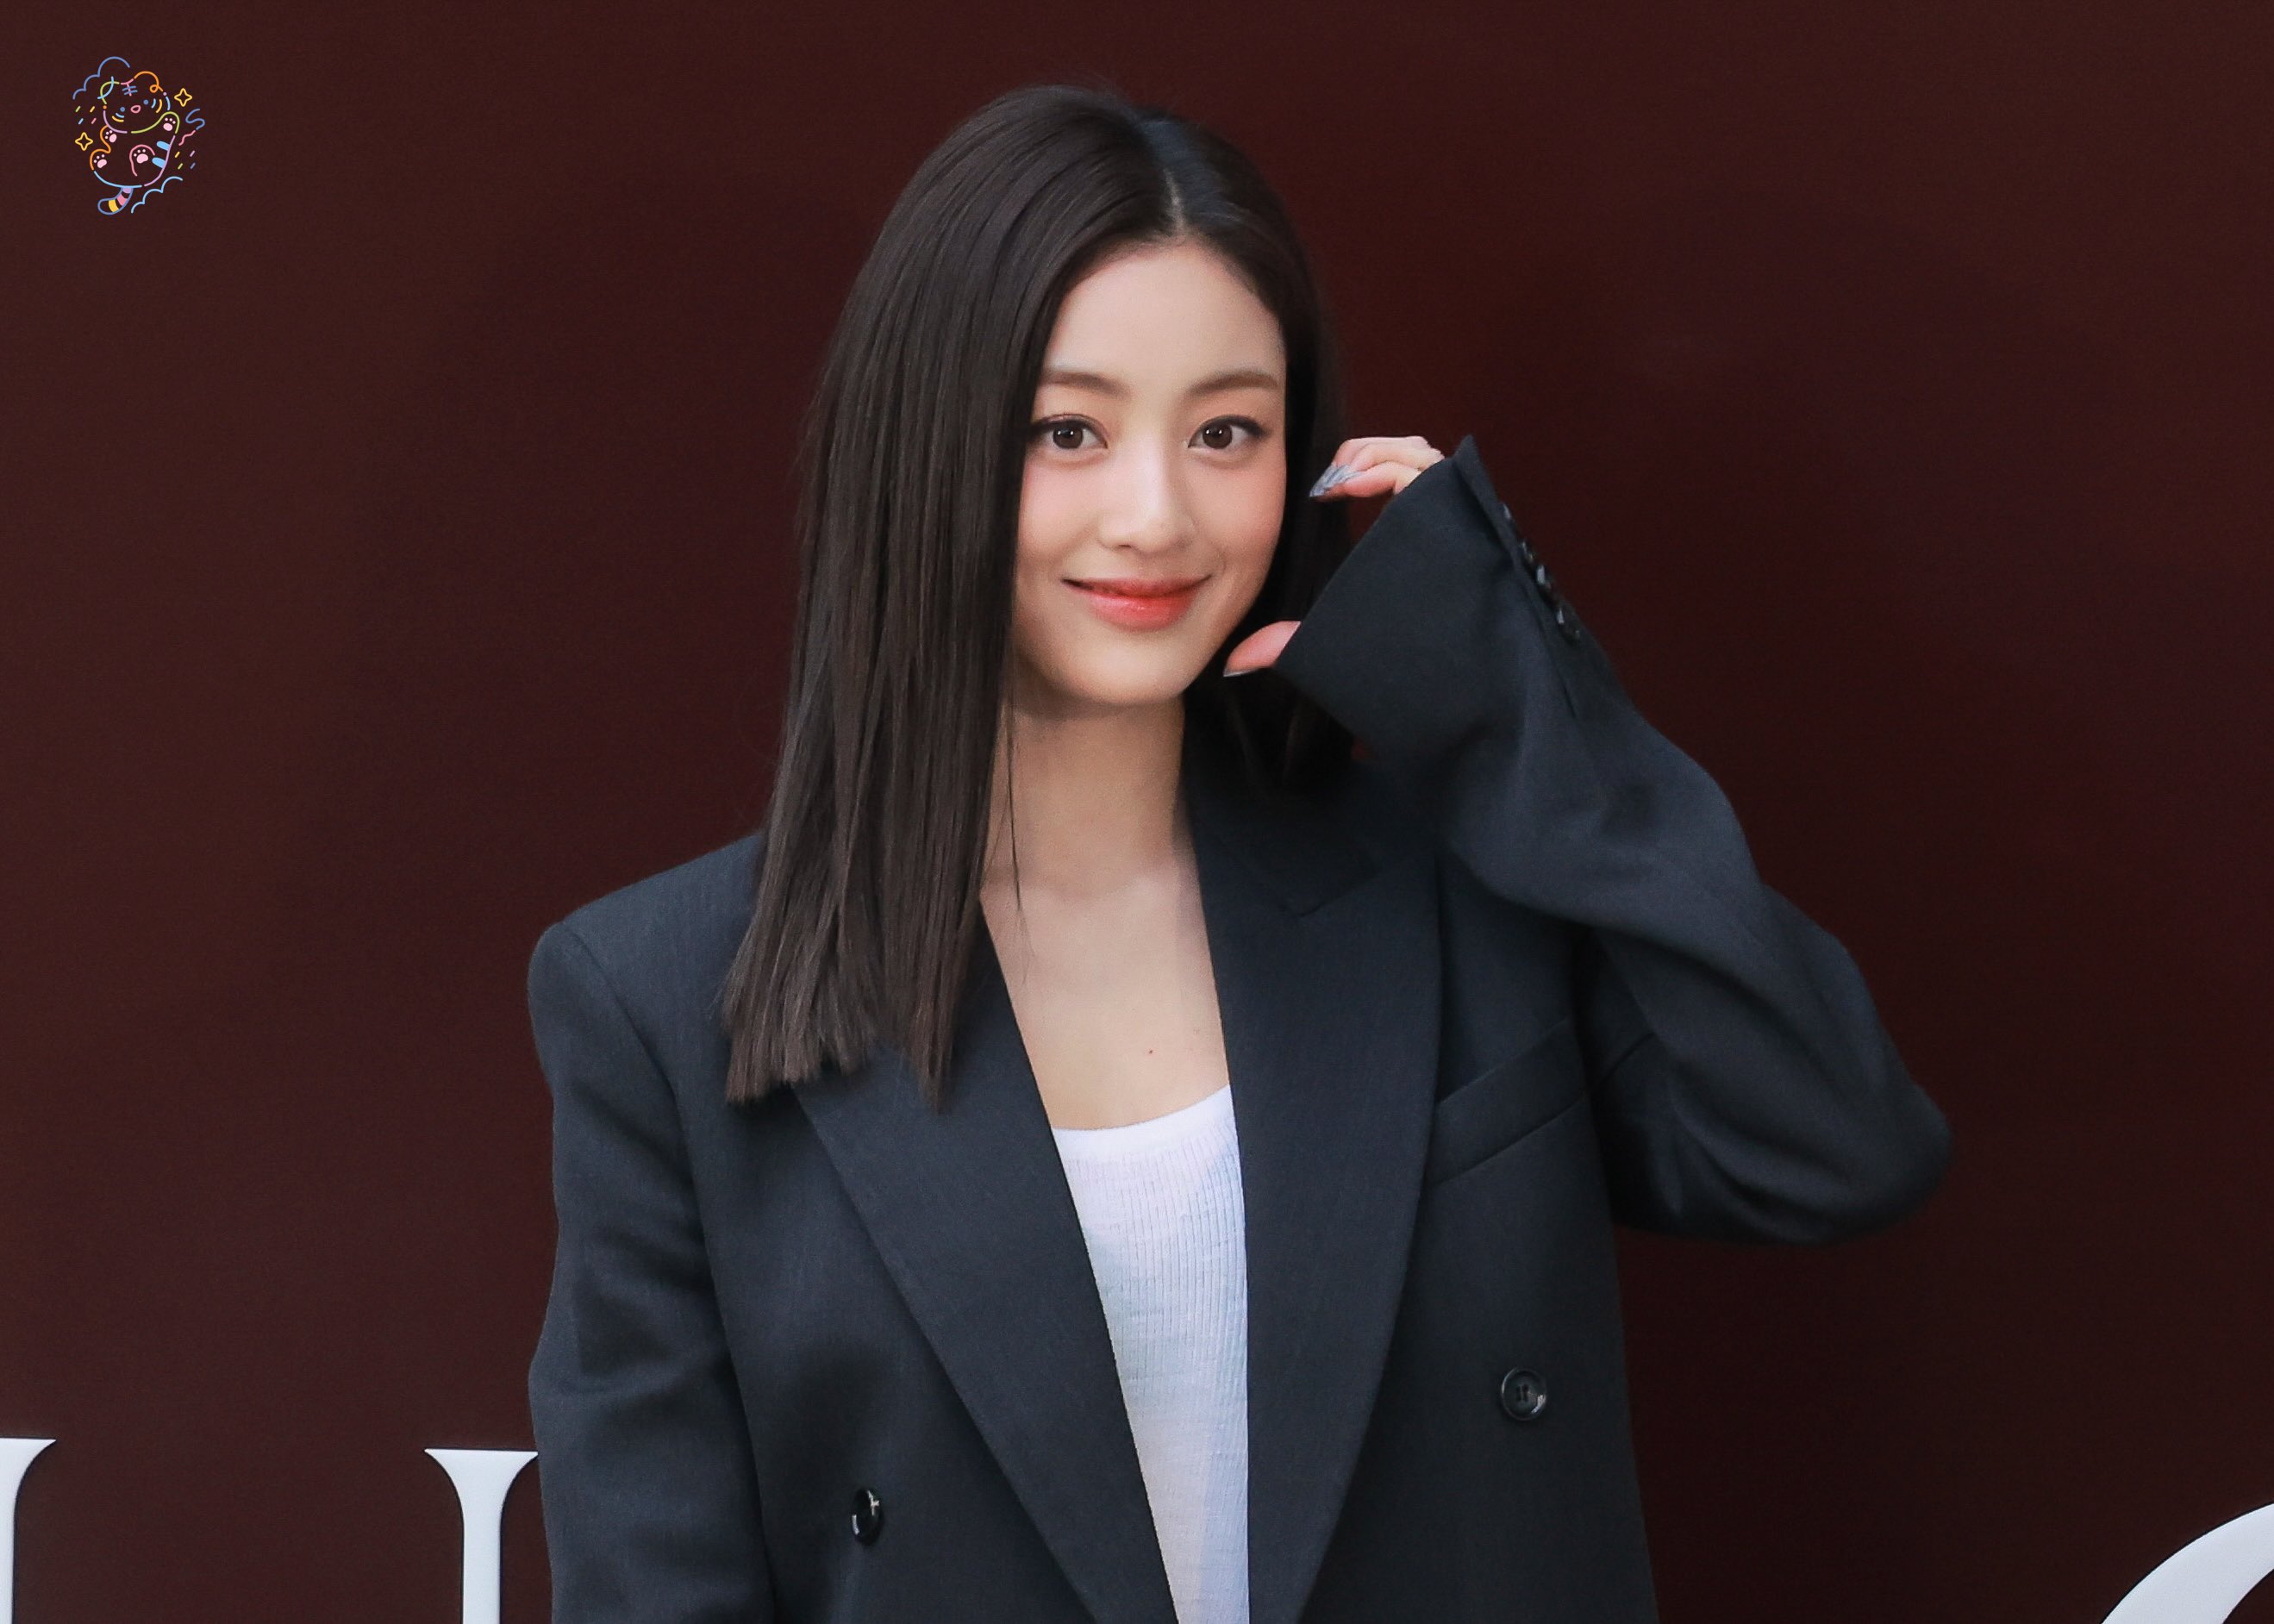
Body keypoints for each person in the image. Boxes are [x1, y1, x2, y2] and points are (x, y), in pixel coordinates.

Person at [522, 81, 1952, 1624]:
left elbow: (1829, 1141)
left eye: (1226, 432)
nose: (1156, 515)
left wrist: (1517, 699)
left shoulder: (1450, 888)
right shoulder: (664, 998)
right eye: (1067, 430)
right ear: (922, 452)